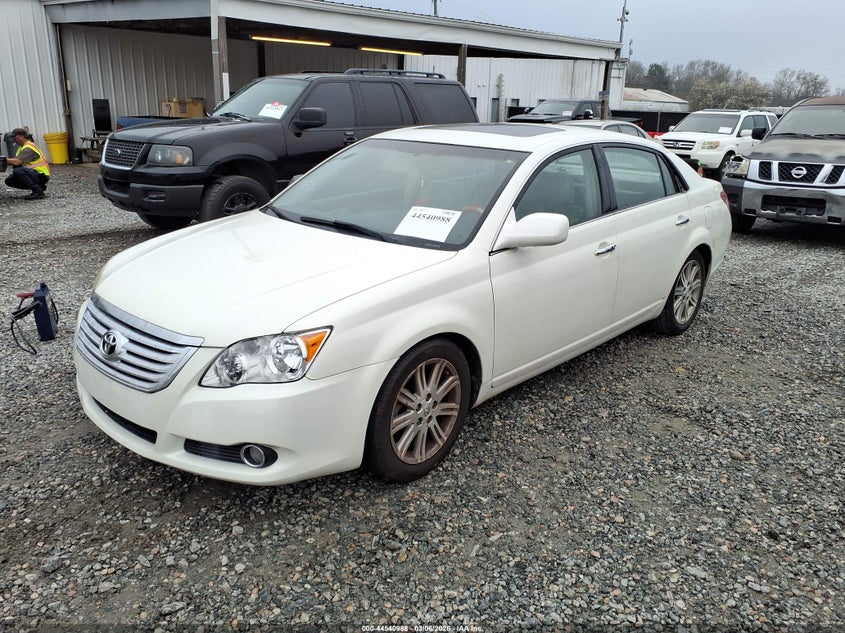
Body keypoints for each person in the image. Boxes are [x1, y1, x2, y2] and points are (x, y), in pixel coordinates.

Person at [5, 127, 50, 200]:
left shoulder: (28, 147)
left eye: (14, 137)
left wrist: (3, 160)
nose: (13, 140)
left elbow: (17, 161)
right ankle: (39, 187)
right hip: (34, 173)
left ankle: (38, 192)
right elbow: (15, 162)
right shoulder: (22, 147)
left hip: (41, 175)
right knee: (9, 180)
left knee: (18, 171)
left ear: (21, 137)